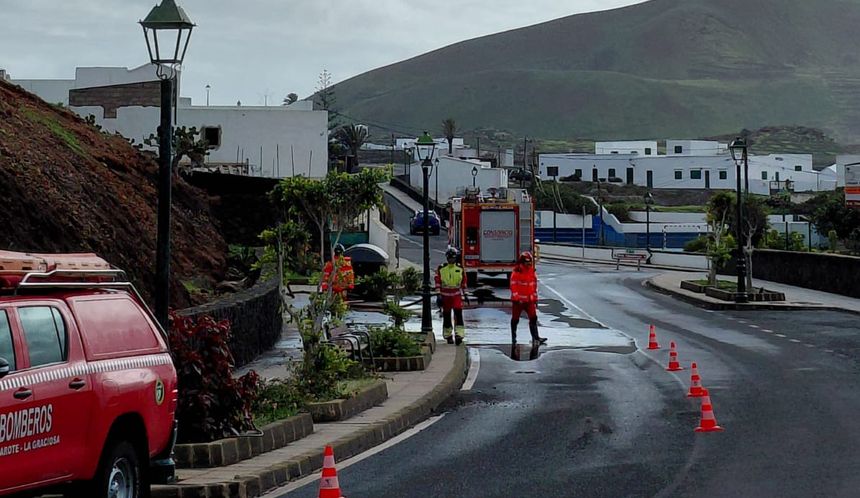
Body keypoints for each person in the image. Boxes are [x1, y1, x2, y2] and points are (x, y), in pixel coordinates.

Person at [510, 251, 546, 345]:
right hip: (518, 302)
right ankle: (513, 337)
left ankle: (536, 338)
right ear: (522, 262)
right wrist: (517, 298)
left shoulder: (531, 271)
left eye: (530, 261)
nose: (529, 263)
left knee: (533, 318)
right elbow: (513, 285)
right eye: (527, 262)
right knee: (515, 319)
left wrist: (535, 299)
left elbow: (534, 285)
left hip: (529, 301)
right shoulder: (517, 272)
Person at [435, 247, 467, 345]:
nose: (451, 260)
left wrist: (465, 294)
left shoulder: (460, 268)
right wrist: (438, 295)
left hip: (456, 296)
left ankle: (459, 335)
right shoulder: (441, 268)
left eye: (453, 258)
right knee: (447, 317)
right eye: (449, 258)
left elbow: (463, 281)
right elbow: (437, 281)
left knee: (458, 315)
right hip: (445, 296)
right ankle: (448, 335)